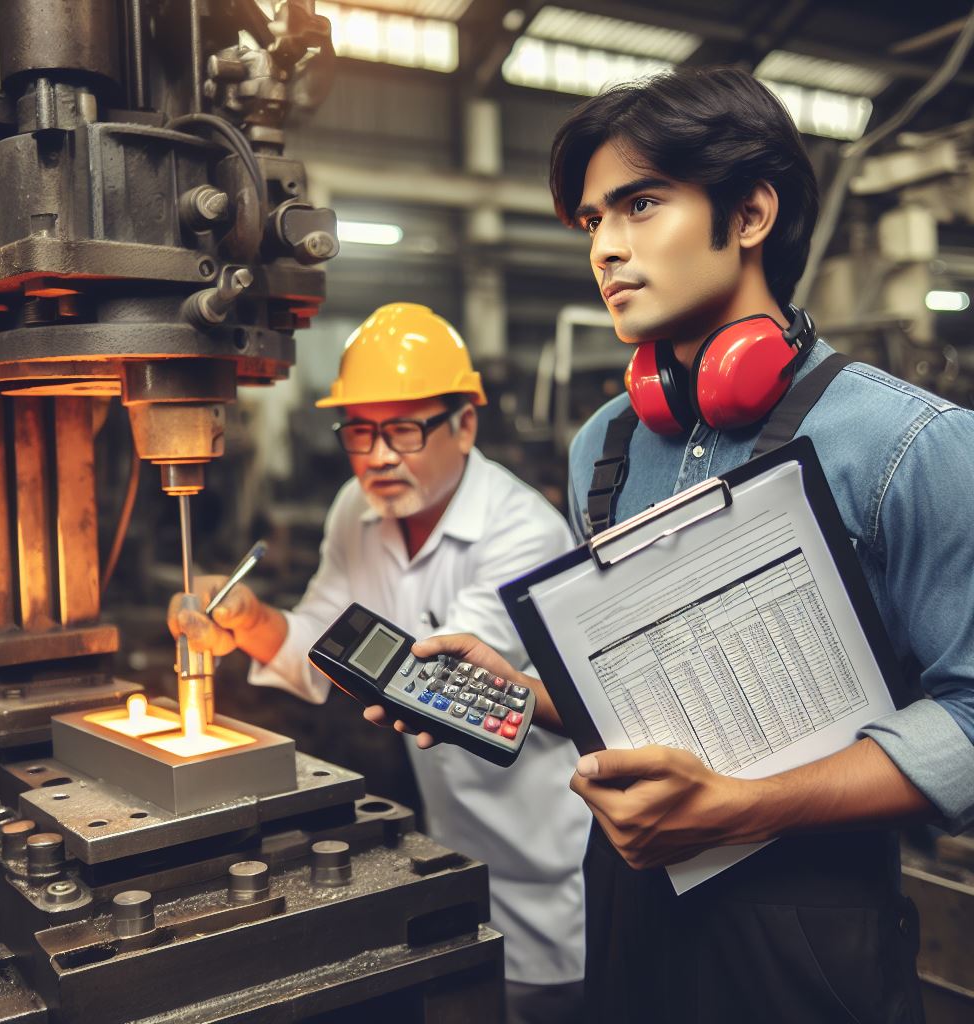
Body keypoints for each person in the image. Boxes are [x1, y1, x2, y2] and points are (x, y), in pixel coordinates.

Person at [384, 68, 974, 1022]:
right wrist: (530, 695)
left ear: (749, 213)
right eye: (590, 222)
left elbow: (973, 718)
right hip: (627, 917)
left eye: (641, 205)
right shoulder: (603, 448)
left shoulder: (912, 447)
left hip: (809, 938)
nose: (606, 250)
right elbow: (657, 704)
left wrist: (744, 808)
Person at [171, 302, 590, 1024]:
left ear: (465, 425)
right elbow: (316, 639)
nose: (378, 455)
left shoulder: (523, 532)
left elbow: (435, 683)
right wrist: (248, 623)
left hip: (551, 864)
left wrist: (312, 645)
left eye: (403, 429)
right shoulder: (353, 510)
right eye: (359, 432)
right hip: (453, 846)